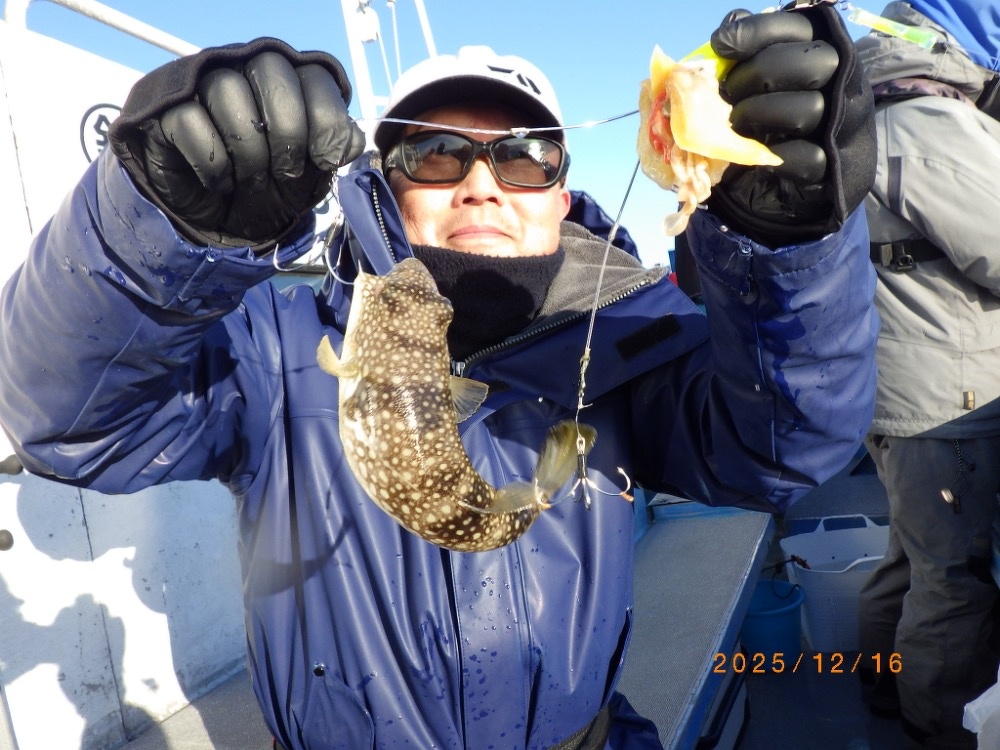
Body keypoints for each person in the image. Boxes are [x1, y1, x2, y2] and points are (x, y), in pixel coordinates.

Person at [0, 5, 877, 749]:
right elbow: (73, 421)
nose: (483, 185)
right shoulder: (274, 341)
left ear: (560, 193)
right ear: (386, 185)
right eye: (436, 154)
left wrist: (787, 250)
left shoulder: (629, 340)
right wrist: (154, 225)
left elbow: (784, 449)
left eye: (526, 155)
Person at [854, 3, 1000, 748]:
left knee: (913, 556)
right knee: (953, 579)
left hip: (895, 395)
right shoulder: (932, 121)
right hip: (950, 400)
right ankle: (937, 727)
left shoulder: (867, 119)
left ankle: (882, 684)